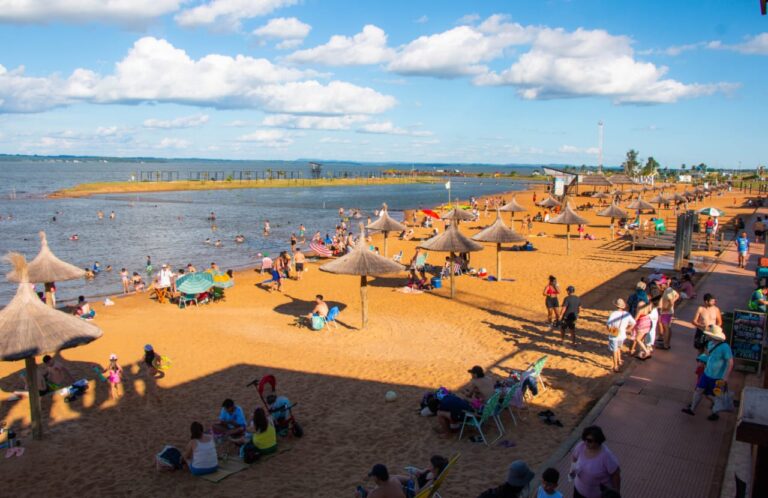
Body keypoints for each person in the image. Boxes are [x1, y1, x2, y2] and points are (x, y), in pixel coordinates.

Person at [682, 324, 733, 421]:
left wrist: (726, 377)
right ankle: (692, 409)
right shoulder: (710, 344)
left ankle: (715, 412)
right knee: (699, 390)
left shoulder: (725, 347)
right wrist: (701, 360)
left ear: (713, 336)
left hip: (717, 377)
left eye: (709, 334)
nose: (707, 336)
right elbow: (710, 356)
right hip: (707, 373)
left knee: (715, 395)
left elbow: (730, 362)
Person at [570, 426, 621, 498]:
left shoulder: (606, 456)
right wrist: (573, 470)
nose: (586, 442)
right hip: (578, 491)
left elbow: (616, 474)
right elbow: (574, 457)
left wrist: (616, 493)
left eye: (590, 440)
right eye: (585, 439)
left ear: (598, 441)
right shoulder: (581, 446)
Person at [606, 299, 635, 373]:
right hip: (622, 334)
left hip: (614, 333)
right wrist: (628, 329)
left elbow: (608, 324)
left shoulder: (613, 314)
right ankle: (619, 360)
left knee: (614, 350)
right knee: (619, 347)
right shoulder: (627, 314)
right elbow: (633, 323)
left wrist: (610, 331)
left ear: (616, 306)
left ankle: (615, 366)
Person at [659, 284, 679, 349]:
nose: (659, 287)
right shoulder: (670, 290)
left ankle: (665, 344)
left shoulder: (667, 292)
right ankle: (667, 343)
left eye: (660, 285)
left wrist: (666, 308)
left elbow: (670, 301)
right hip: (669, 312)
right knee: (668, 328)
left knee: (666, 328)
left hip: (666, 312)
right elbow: (677, 295)